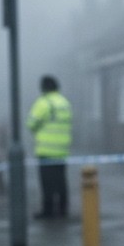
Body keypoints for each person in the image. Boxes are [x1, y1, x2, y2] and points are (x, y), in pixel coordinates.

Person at [27, 74, 73, 219]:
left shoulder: (43, 102)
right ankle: (63, 209)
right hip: (62, 150)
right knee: (61, 181)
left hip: (46, 150)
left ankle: (48, 211)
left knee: (47, 182)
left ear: (43, 88)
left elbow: (31, 123)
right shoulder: (65, 102)